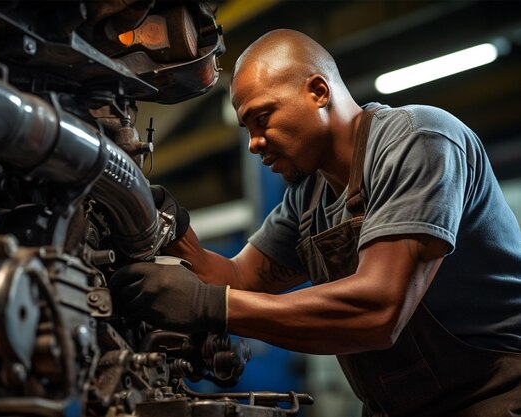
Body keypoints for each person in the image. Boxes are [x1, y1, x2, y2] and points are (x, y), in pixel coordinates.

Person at [110, 29, 521, 416]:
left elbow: (379, 310)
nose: (254, 143)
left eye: (262, 118)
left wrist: (210, 306)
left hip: (494, 397)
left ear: (318, 91)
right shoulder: (309, 197)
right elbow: (237, 278)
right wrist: (172, 233)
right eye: (247, 127)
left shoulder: (419, 141)